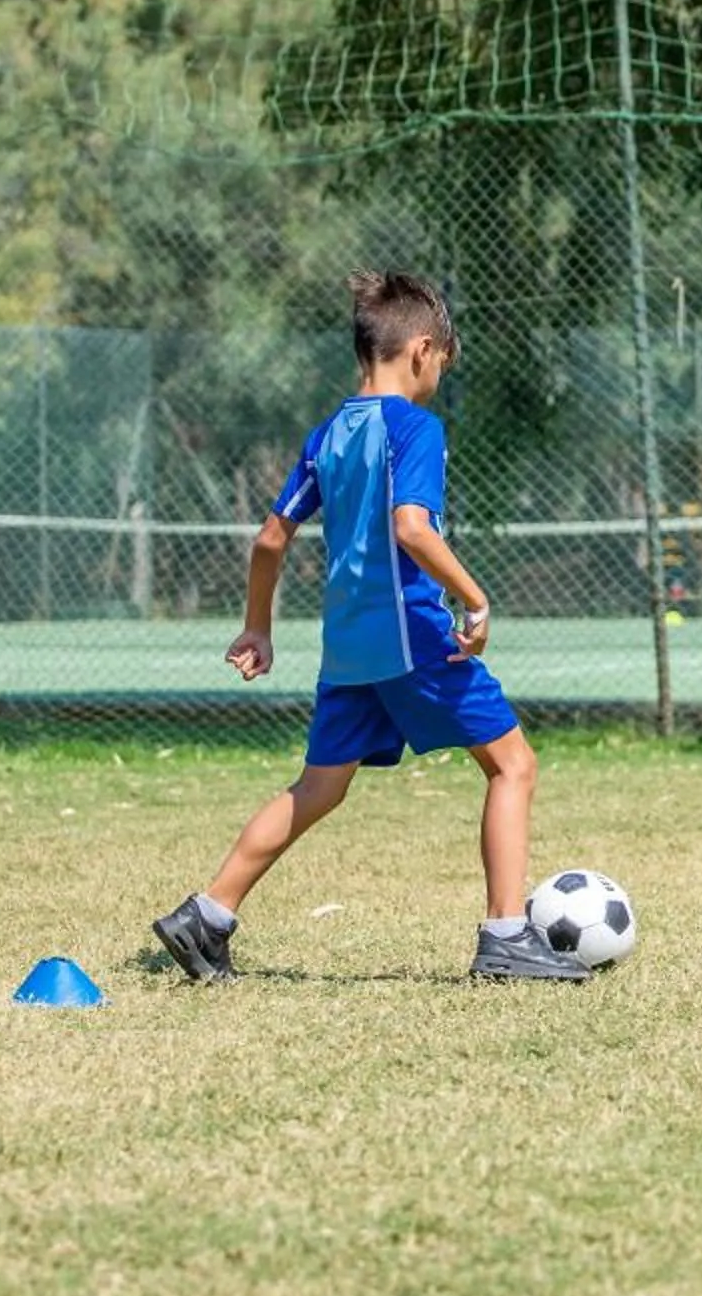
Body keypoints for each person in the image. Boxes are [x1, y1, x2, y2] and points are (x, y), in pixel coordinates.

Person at [151, 271, 583, 985]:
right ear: (421, 350)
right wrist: (474, 597)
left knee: (318, 787)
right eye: (443, 359)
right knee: (513, 765)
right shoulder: (415, 428)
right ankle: (507, 935)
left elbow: (269, 538)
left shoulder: (329, 435)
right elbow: (411, 528)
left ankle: (207, 915)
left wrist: (257, 628)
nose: (441, 373)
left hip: (347, 646)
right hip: (412, 635)